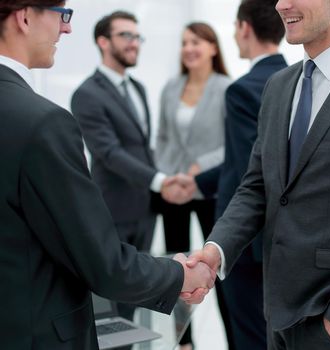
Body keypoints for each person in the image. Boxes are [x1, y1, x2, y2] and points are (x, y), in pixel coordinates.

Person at [0, 2, 215, 349]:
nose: (66, 29)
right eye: (62, 14)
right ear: (25, 16)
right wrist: (180, 273)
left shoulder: (140, 90)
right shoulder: (43, 121)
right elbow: (106, 267)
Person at [185, 0, 330, 349]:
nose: (281, 4)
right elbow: (256, 186)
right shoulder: (279, 86)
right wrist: (216, 249)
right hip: (275, 311)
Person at [71, 11, 194, 322]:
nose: (134, 43)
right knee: (110, 306)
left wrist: (166, 181)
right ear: (102, 41)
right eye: (126, 35)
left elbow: (141, 148)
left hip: (144, 211)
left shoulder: (137, 87)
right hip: (113, 212)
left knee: (135, 304)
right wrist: (159, 180)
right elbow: (109, 153)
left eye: (137, 37)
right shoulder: (87, 94)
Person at [195, 0, 287, 348]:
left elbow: (251, 168)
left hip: (245, 244)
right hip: (281, 239)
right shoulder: (293, 82)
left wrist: (195, 184)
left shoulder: (243, 89)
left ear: (244, 28)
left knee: (247, 335)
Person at [155, 22, 232, 350]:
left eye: (197, 41)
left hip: (209, 192)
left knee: (221, 270)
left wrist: (198, 170)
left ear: (213, 48)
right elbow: (161, 138)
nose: (189, 48)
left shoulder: (227, 88)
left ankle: (235, 339)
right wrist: (167, 177)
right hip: (174, 192)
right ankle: (184, 342)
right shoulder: (171, 87)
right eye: (185, 42)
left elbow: (234, 144)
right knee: (177, 269)